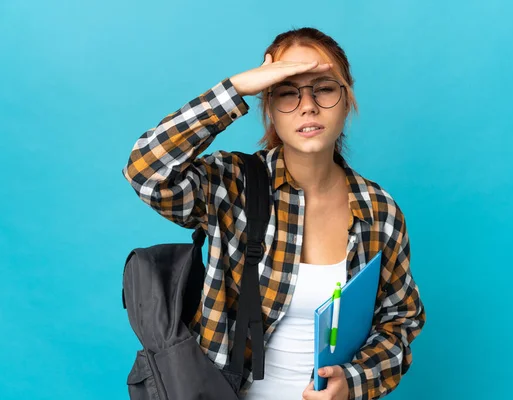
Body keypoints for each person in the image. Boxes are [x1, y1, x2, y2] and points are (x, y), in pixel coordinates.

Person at [122, 27, 426, 400]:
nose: (308, 105)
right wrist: (236, 89)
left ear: (348, 101)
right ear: (269, 108)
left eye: (325, 88)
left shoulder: (378, 211)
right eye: (287, 91)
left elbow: (400, 321)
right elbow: (146, 172)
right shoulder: (233, 185)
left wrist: (354, 381)